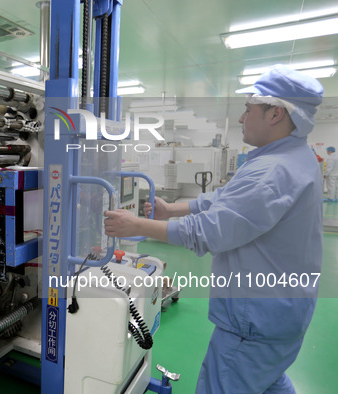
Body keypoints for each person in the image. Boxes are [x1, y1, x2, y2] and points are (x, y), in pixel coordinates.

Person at [104, 65, 323, 393]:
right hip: (284, 314)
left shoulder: (273, 171)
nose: (240, 119)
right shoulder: (293, 156)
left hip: (255, 323)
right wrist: (170, 209)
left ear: (276, 114)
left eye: (248, 110)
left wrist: (135, 225)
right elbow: (227, 199)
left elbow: (206, 231)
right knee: (269, 381)